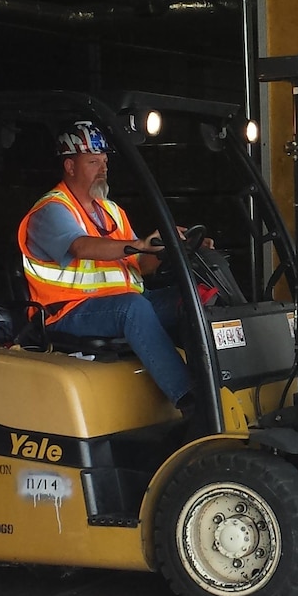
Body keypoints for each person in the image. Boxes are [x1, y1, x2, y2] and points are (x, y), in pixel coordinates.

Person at [17, 119, 194, 413]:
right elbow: (80, 246)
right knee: (132, 308)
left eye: (105, 161)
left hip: (121, 304)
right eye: (93, 161)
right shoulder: (52, 210)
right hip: (67, 311)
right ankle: (190, 400)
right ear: (70, 166)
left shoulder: (111, 210)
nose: (103, 168)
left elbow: (141, 263)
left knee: (193, 298)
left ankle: (221, 383)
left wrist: (175, 249)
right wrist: (138, 244)